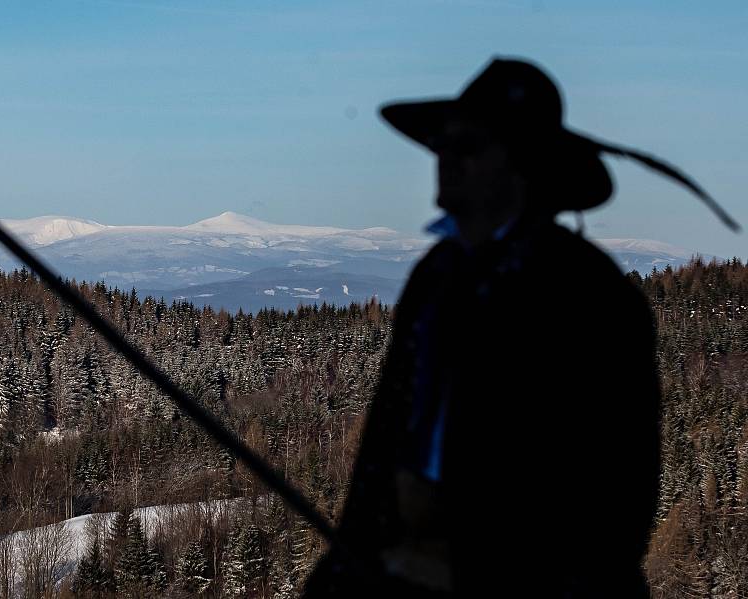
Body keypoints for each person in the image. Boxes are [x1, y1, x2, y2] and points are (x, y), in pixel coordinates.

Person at [304, 57, 737, 598]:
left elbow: (615, 496)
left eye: (469, 147)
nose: (445, 160)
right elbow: (388, 441)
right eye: (443, 145)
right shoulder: (438, 275)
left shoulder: (590, 295)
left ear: (521, 165)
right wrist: (346, 567)